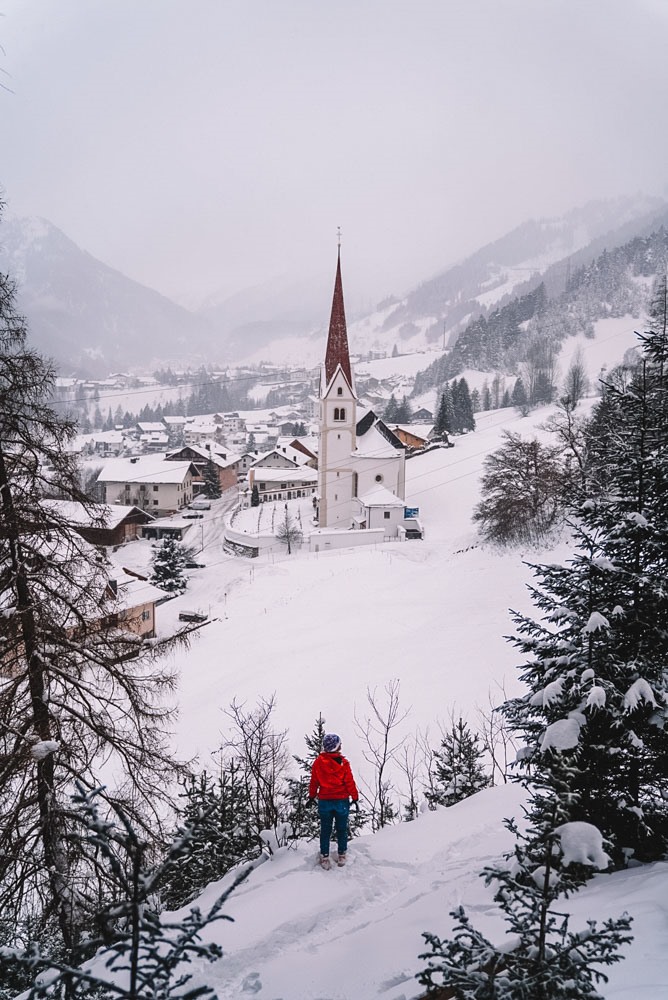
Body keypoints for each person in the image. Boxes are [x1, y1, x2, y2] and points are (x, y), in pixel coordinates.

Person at [309, 732, 359, 870]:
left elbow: (314, 782)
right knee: (341, 828)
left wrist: (312, 796)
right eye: (339, 744)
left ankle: (325, 857)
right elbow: (349, 782)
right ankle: (342, 855)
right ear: (336, 747)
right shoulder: (343, 763)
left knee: (325, 829)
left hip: (325, 801)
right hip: (341, 801)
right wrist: (355, 797)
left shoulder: (318, 762)